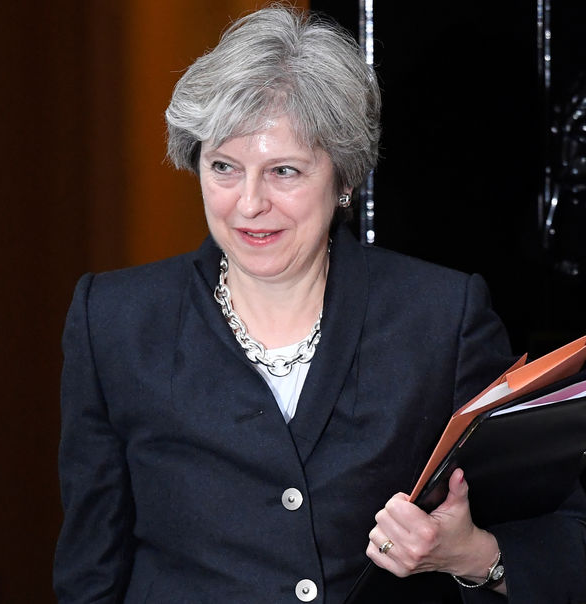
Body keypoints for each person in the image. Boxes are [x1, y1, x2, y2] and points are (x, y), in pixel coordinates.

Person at [53, 6, 586, 603]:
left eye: (284, 171)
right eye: (224, 167)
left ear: (345, 179)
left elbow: (562, 537)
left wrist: (470, 554)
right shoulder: (115, 321)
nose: (249, 204)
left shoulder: (442, 316)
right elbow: (89, 574)